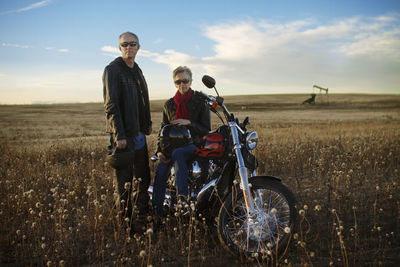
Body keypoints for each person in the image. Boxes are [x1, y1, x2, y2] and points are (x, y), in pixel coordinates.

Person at [103, 32, 152, 233]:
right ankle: (127, 225)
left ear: (138, 47)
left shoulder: (137, 70)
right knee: (124, 183)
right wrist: (119, 135)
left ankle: (141, 216)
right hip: (124, 136)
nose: (129, 47)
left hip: (139, 134)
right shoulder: (113, 70)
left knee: (143, 177)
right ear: (119, 47)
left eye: (132, 44)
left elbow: (143, 99)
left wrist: (147, 123)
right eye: (125, 44)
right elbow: (111, 105)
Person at [152, 66, 210, 217]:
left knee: (178, 153)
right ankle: (157, 213)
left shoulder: (200, 102)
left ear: (191, 81)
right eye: (178, 81)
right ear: (174, 83)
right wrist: (159, 150)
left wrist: (189, 122)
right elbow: (163, 130)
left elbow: (206, 129)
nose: (182, 84)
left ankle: (182, 198)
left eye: (185, 80)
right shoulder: (169, 104)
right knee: (161, 171)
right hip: (170, 146)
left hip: (192, 145)